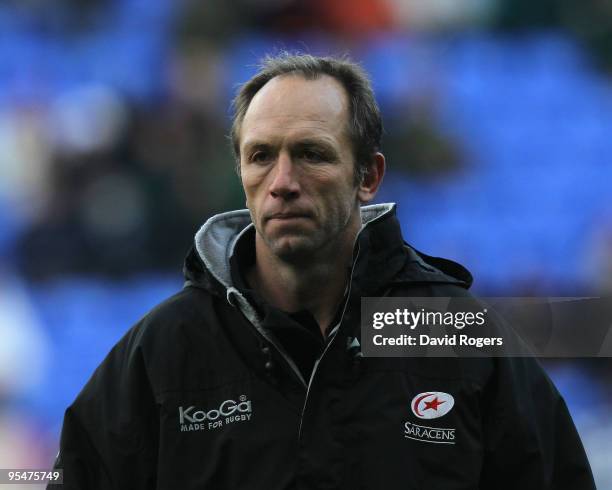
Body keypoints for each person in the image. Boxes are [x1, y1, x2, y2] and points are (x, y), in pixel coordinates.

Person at [50, 54, 595, 489]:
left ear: (368, 176)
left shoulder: (454, 335)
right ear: (240, 170)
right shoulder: (164, 351)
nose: (282, 180)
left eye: (311, 154)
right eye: (261, 155)